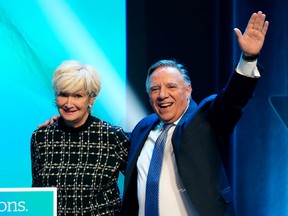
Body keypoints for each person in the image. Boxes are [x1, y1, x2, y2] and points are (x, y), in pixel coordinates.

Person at [40, 11, 269, 216]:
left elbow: (231, 101)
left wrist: (248, 60)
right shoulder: (143, 128)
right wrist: (64, 122)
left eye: (171, 87)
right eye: (155, 89)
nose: (162, 95)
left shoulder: (204, 121)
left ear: (188, 90)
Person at [30, 60, 130, 215]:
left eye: (78, 96)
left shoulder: (113, 137)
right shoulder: (41, 138)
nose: (69, 103)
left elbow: (141, 185)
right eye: (63, 95)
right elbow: (37, 192)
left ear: (91, 99)